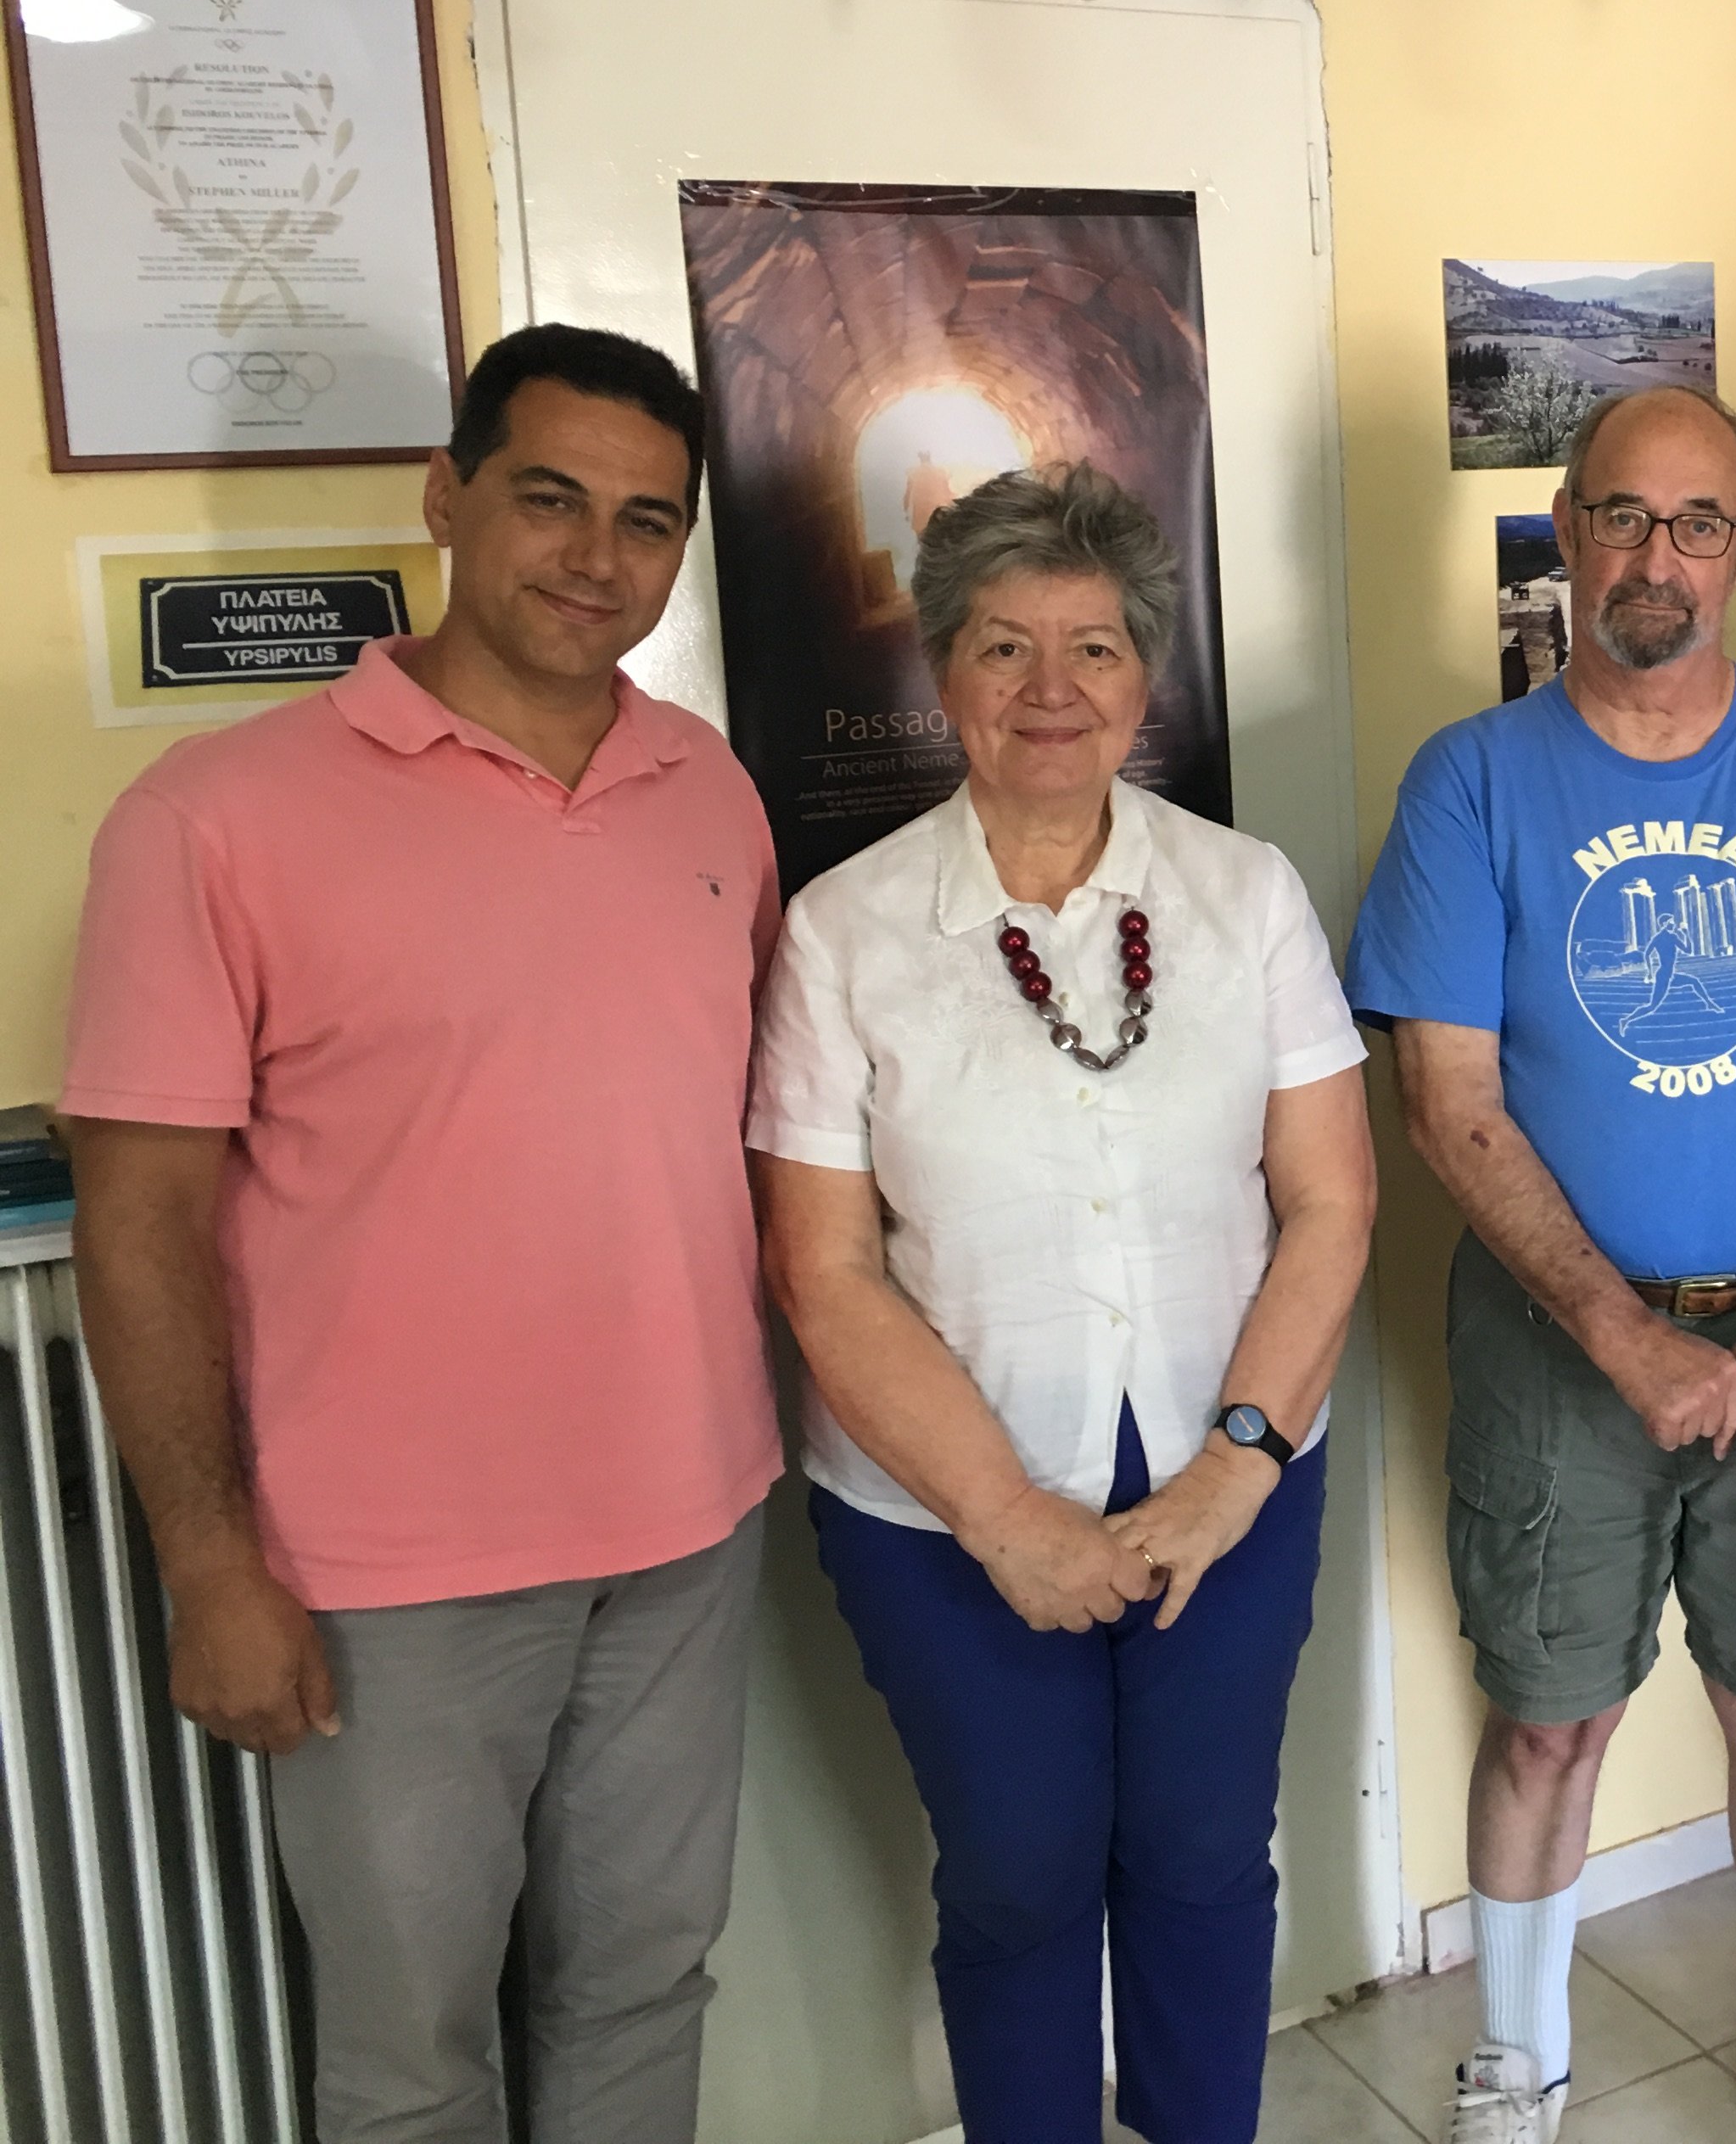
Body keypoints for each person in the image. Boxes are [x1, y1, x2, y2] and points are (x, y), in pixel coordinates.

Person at [61, 325, 781, 2144]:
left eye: (646, 520)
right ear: (447, 497)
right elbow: (137, 1224)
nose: (595, 557)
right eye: (550, 499)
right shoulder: (212, 819)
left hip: (689, 1525)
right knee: (411, 2056)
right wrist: (208, 1568)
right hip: (387, 1575)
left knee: (644, 1983)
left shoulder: (710, 789)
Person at [1347, 387, 1736, 2144]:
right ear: (1566, 528)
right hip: (1562, 1347)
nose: (1657, 557)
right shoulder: (1472, 781)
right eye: (1622, 515)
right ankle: (1516, 2061)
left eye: (1699, 522)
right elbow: (1446, 1100)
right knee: (1550, 1719)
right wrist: (1622, 1338)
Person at [751, 463, 1375, 2144]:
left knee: (1200, 1858)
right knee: (1019, 1874)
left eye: (1093, 648)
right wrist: (1008, 1519)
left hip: (1227, 1471)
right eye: (1004, 646)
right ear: (941, 671)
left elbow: (1331, 1203)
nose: (1051, 689)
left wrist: (1237, 1467)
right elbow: (822, 1268)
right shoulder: (841, 935)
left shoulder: (1245, 896)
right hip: (937, 1511)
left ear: (1143, 679)